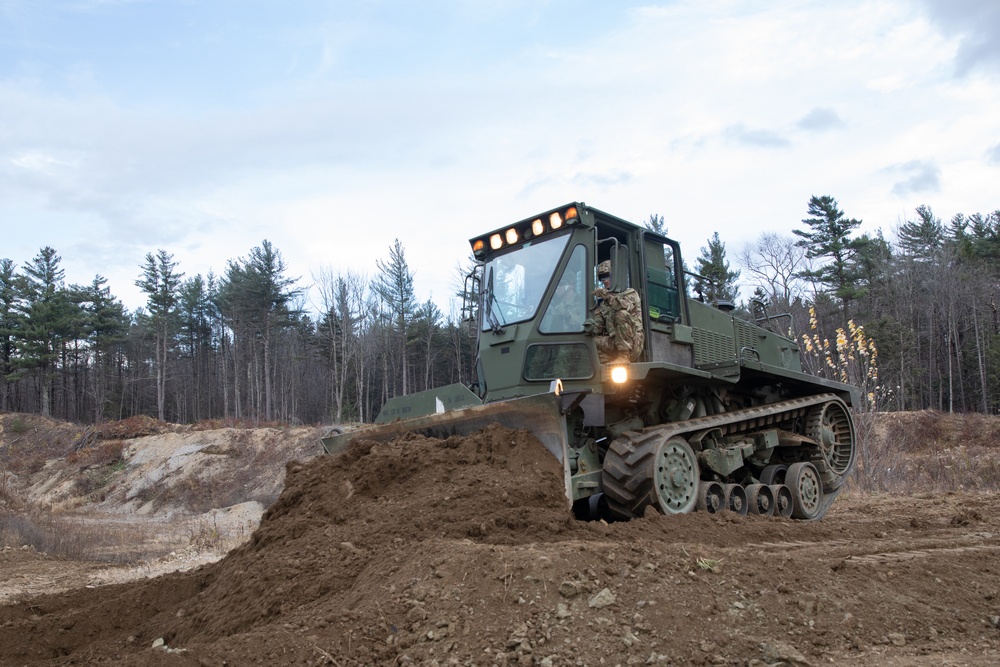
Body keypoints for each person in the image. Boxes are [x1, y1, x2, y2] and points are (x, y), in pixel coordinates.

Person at [585, 259, 644, 363]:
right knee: (589, 341)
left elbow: (622, 307)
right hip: (614, 343)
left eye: (608, 276)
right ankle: (604, 363)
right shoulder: (603, 304)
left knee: (621, 314)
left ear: (616, 275)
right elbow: (597, 327)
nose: (605, 280)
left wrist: (608, 297)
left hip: (633, 344)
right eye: (602, 277)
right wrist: (589, 326)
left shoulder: (630, 293)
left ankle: (624, 357)